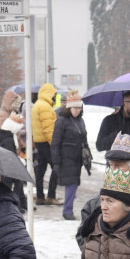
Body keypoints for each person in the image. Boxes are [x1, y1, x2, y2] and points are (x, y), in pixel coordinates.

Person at [96, 90, 130, 181]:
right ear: (124, 103)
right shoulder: (110, 120)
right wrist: (115, 136)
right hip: (115, 172)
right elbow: (99, 145)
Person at [50, 90, 88, 220]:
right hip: (66, 158)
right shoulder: (61, 121)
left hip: (78, 158)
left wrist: (87, 153)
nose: (77, 110)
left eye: (79, 107)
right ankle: (67, 211)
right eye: (75, 108)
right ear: (69, 108)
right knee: (71, 184)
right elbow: (55, 142)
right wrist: (56, 161)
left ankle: (68, 209)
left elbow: (84, 138)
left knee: (74, 183)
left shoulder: (80, 121)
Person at [0, 92, 28, 212]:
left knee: (17, 180)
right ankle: (12, 206)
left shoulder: (10, 114)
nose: (17, 106)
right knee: (10, 181)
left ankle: (22, 204)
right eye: (15, 104)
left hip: (13, 148)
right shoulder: (3, 115)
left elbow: (16, 135)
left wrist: (22, 147)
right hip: (7, 150)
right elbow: (6, 134)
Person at [32, 82, 59, 205]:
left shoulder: (38, 104)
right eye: (54, 93)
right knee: (56, 168)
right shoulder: (45, 107)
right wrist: (54, 145)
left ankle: (40, 196)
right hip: (47, 143)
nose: (54, 96)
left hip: (38, 142)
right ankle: (51, 196)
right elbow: (49, 128)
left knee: (40, 171)